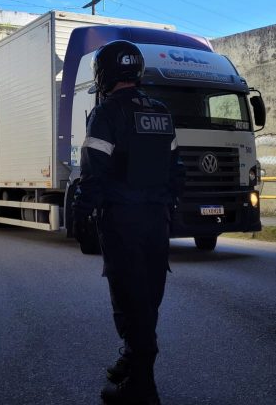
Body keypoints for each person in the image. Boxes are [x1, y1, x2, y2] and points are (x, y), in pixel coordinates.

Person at [73, 40, 183, 405]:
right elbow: (175, 171)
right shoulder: (161, 112)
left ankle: (141, 387)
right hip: (156, 223)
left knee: (128, 298)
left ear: (104, 75)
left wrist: (80, 213)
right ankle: (131, 362)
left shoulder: (105, 114)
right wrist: (168, 208)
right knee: (148, 297)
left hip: (122, 223)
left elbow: (93, 172)